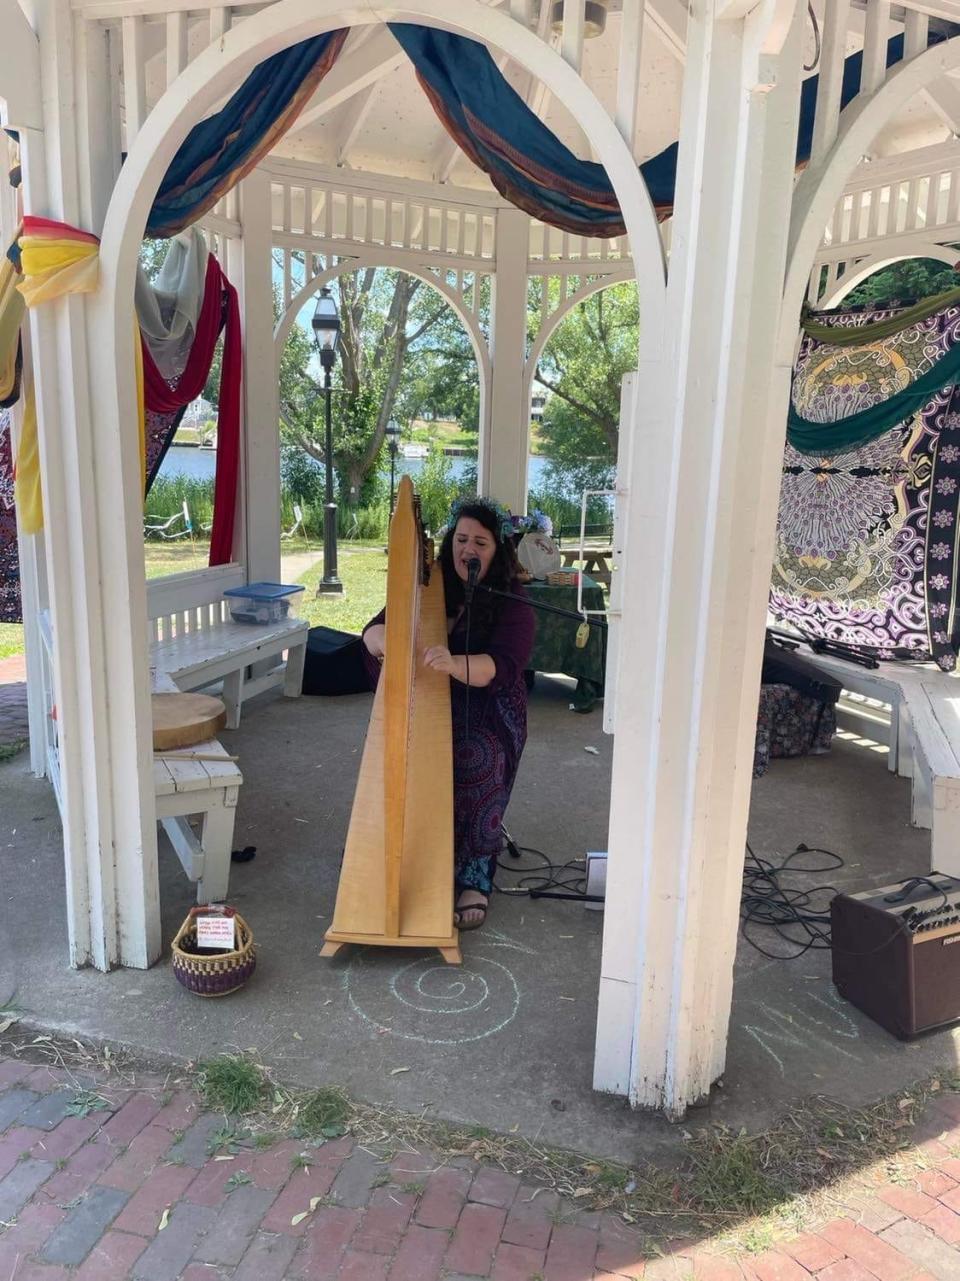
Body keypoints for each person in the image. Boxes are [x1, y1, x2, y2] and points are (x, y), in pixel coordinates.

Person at [362, 497, 535, 931]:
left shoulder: (512, 601)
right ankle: (411, 852)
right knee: (402, 752)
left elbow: (504, 666)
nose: (467, 550)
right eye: (460, 539)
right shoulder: (430, 585)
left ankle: (476, 874)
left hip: (491, 706)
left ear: (498, 550)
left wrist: (456, 665)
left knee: (478, 755)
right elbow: (376, 627)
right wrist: (384, 642)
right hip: (435, 699)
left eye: (480, 541)